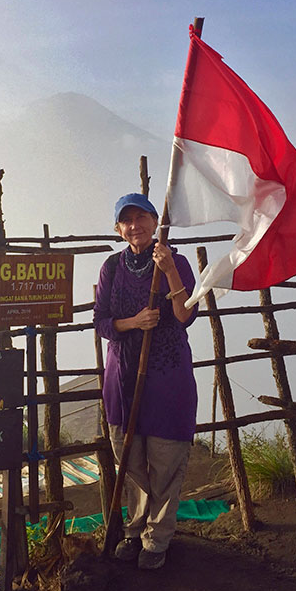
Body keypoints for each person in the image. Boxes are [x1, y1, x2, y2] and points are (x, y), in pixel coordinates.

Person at [93, 192, 198, 570]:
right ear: (119, 229)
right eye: (127, 220)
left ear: (156, 223)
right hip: (123, 380)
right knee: (131, 460)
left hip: (168, 379)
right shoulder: (111, 268)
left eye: (142, 217)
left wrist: (168, 270)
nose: (135, 225)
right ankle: (135, 530)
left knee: (166, 461)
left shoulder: (177, 262)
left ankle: (158, 538)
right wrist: (134, 323)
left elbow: (185, 315)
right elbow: (102, 321)